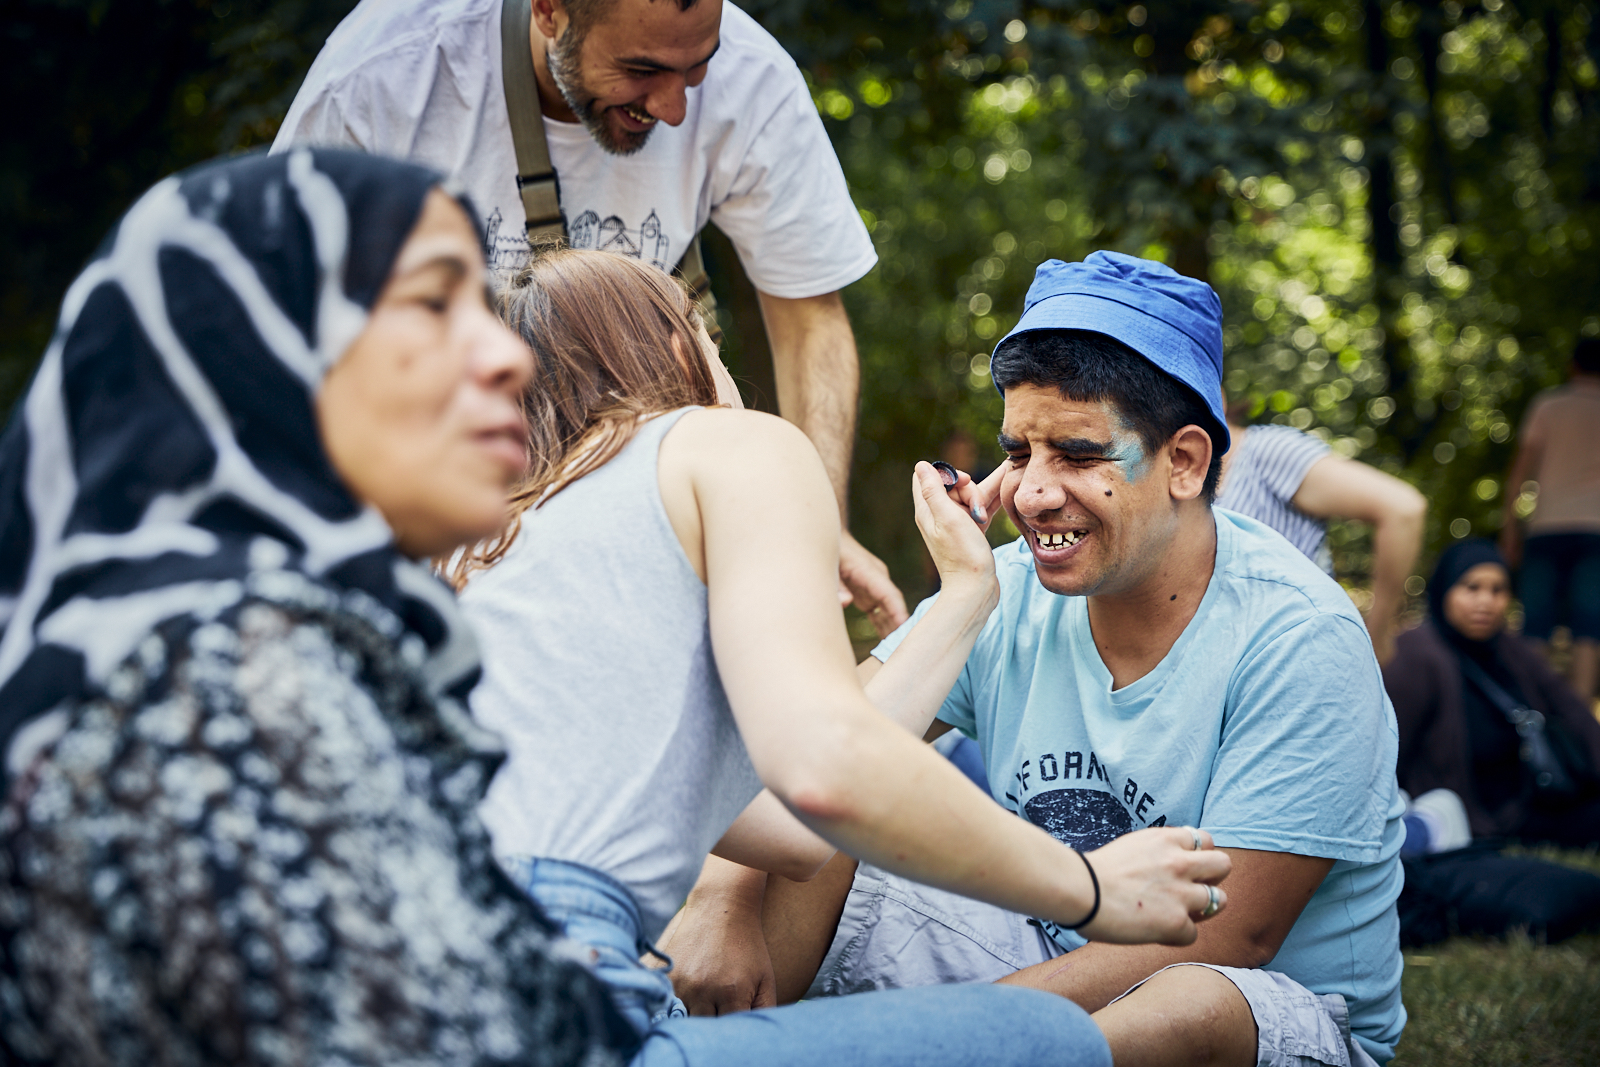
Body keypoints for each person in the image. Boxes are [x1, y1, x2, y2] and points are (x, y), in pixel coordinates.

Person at [451, 247, 1232, 1066]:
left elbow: (792, 827)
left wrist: (967, 590)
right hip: (563, 1008)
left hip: (378, 995)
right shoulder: (729, 444)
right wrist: (1094, 891)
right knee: (1046, 1041)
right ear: (683, 351)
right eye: (714, 339)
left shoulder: (491, 541)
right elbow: (827, 772)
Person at [660, 253, 1407, 1067]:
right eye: (1019, 452)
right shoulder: (1005, 589)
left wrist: (941, 1035)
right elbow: (819, 753)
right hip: (1046, 954)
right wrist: (723, 897)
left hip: (1252, 1007)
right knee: (821, 839)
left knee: (1191, 1004)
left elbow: (1228, 936)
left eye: (1080, 455)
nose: (1033, 493)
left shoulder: (1299, 636)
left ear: (1186, 462)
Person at [0, 149, 637, 1065]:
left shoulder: (181, 637)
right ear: (251, 342)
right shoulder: (219, 677)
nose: (508, 355)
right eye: (430, 302)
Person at [272, 0, 908, 635]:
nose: (674, 108)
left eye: (695, 71)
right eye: (642, 71)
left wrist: (816, 528)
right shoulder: (381, 80)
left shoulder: (754, 79)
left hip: (650, 514)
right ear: (549, 10)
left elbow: (810, 318)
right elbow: (281, 327)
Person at [1382, 539, 1600, 948]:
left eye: (1498, 590)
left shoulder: (1510, 650)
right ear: (1444, 590)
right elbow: (1386, 749)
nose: (1486, 601)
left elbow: (1572, 711)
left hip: (1526, 803)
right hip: (1469, 815)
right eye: (1472, 587)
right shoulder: (1418, 655)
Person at [1216, 398, 1426, 664]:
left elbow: (1403, 510)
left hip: (1300, 659)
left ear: (1219, 397)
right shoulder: (1178, 474)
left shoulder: (1265, 451)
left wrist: (1378, 636)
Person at [1499, 336, 1600, 704]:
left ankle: (1534, 712)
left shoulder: (1548, 405)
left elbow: (1518, 475)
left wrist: (1510, 530)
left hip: (1547, 526)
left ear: (1572, 365)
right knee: (1590, 626)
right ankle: (1584, 719)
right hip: (1596, 530)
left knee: (1536, 623)